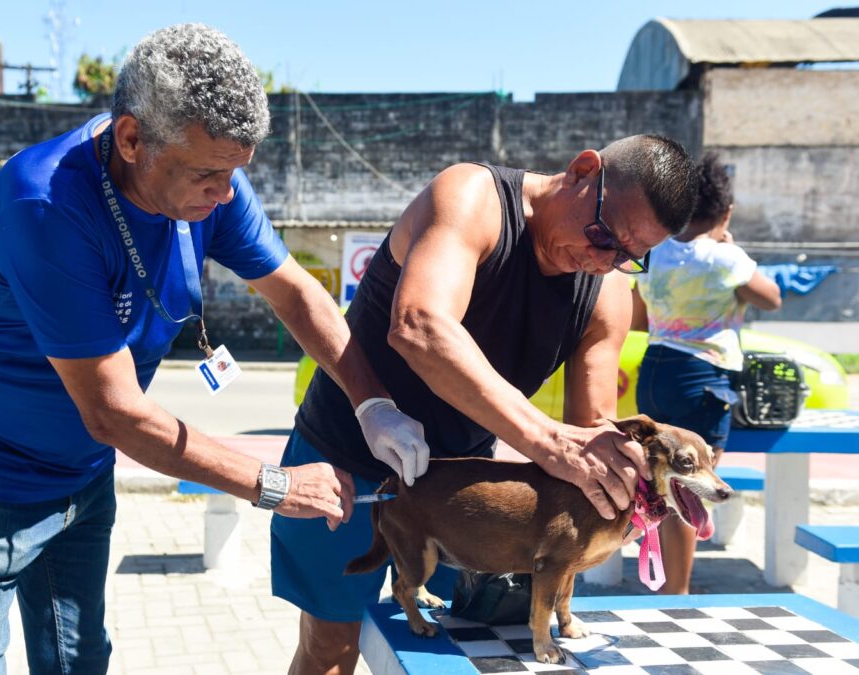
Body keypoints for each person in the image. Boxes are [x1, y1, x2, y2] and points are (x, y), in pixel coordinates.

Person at [0, 24, 426, 674]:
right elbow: (113, 412)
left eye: (235, 173)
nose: (226, 194)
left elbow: (297, 295)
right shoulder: (48, 205)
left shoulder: (209, 180)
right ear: (131, 138)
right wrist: (277, 484)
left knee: (80, 660)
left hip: (78, 479)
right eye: (208, 173)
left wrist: (373, 402)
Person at [271, 135, 700, 674]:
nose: (602, 260)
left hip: (464, 486)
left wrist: (629, 483)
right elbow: (421, 327)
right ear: (583, 172)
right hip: (345, 451)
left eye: (628, 256)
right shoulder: (473, 197)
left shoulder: (605, 289)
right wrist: (543, 440)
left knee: (462, 651)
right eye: (601, 235)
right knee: (334, 643)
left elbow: (592, 427)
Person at [632, 152, 781, 594]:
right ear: (726, 212)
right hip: (703, 379)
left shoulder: (655, 254)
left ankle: (655, 574)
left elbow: (639, 318)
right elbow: (771, 298)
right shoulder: (724, 257)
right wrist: (730, 248)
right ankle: (676, 596)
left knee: (658, 478)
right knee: (692, 487)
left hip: (656, 370)